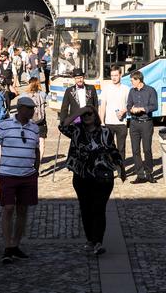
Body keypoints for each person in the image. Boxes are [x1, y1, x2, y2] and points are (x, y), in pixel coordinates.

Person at [60, 104, 124, 256]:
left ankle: (98, 241)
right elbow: (63, 125)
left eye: (90, 114)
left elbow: (113, 149)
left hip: (102, 176)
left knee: (99, 208)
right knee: (86, 208)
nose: (87, 117)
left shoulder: (105, 131)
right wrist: (80, 110)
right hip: (82, 176)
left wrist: (120, 167)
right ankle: (90, 240)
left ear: (96, 116)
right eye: (85, 115)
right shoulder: (76, 131)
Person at [0, 96, 40, 264]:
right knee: (9, 208)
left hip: (28, 175)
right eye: (30, 109)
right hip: (7, 173)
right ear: (20, 109)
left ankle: (15, 245)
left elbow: (37, 150)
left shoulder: (34, 128)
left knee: (23, 210)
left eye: (33, 108)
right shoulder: (5, 125)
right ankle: (8, 245)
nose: (33, 111)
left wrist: (36, 170)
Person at [126, 71, 158, 183]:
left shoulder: (150, 90)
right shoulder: (131, 91)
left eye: (132, 80)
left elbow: (155, 106)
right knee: (135, 150)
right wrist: (131, 110)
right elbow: (128, 105)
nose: (131, 83)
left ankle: (149, 174)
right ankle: (140, 175)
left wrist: (142, 109)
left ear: (138, 80)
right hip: (134, 124)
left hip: (146, 123)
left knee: (147, 149)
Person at [99, 65, 130, 165]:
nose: (114, 77)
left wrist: (123, 111)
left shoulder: (126, 89)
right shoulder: (106, 88)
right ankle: (110, 168)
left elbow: (130, 105)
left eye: (116, 75)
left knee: (121, 148)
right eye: (112, 75)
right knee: (109, 148)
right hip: (109, 123)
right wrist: (102, 122)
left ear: (120, 75)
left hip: (122, 124)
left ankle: (121, 169)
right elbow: (102, 106)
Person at [22, 77, 48, 160]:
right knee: (41, 143)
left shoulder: (25, 95)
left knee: (29, 142)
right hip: (41, 122)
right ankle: (38, 162)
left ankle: (30, 160)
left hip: (29, 122)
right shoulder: (43, 94)